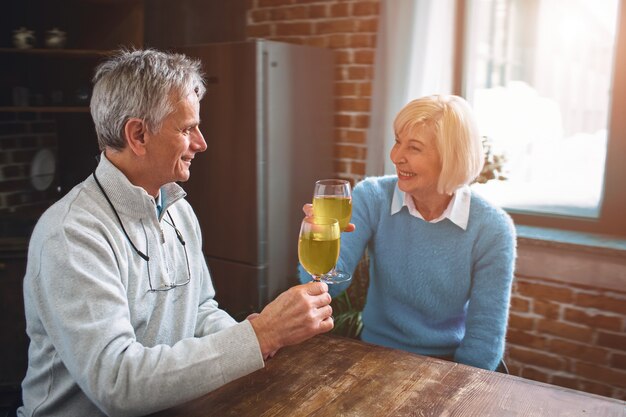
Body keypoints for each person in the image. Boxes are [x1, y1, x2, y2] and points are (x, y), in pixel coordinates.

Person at [18, 49, 333, 417]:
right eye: (186, 129)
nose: (201, 143)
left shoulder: (177, 209)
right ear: (138, 134)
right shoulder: (72, 234)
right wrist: (260, 334)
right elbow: (118, 384)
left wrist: (258, 340)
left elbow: (199, 313)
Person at [299, 95, 516, 371]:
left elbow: (484, 340)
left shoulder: (492, 228)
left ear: (451, 158)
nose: (395, 156)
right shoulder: (373, 197)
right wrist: (318, 237)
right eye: (397, 141)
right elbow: (329, 284)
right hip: (375, 355)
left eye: (413, 148)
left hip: (448, 366)